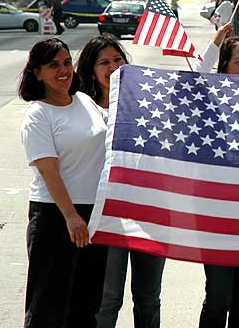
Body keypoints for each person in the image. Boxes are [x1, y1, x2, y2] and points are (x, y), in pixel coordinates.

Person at [76, 34, 167, 328]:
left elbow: (185, 94)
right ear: (91, 71)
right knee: (108, 298)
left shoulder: (147, 102)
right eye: (104, 62)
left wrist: (214, 47)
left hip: (149, 213)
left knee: (148, 298)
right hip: (107, 216)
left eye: (118, 59)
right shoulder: (82, 108)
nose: (113, 66)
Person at [19, 38, 108, 327]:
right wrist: (71, 217)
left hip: (93, 217)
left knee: (86, 306)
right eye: (53, 65)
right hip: (56, 218)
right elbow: (49, 171)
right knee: (48, 307)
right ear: (37, 73)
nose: (63, 70)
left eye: (67, 62)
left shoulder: (83, 100)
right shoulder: (38, 115)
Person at [195, 32, 239, 328]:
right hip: (215, 218)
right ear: (223, 69)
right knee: (219, 296)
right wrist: (214, 45)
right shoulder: (209, 103)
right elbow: (190, 85)